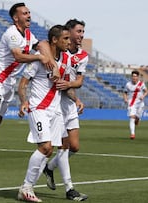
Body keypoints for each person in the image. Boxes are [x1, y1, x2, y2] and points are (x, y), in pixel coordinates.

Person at [0, 2, 58, 175]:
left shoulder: (28, 34)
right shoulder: (12, 33)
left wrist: (51, 62)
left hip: (8, 81)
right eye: (25, 13)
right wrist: (39, 57)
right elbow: (18, 56)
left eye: (29, 12)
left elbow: (42, 44)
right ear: (16, 18)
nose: (29, 15)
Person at [17, 24, 71, 203]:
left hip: (55, 111)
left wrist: (75, 97)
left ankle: (28, 187)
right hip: (38, 108)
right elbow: (23, 84)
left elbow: (64, 85)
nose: (68, 42)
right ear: (54, 40)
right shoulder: (38, 61)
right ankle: (26, 187)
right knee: (45, 147)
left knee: (48, 152)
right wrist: (24, 101)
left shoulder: (66, 60)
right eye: (65, 38)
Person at [43, 19, 88, 201]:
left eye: (83, 32)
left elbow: (78, 82)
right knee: (63, 146)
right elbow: (42, 46)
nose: (81, 35)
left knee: (74, 147)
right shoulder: (56, 50)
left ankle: (49, 167)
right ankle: (70, 189)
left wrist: (74, 95)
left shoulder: (82, 56)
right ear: (68, 33)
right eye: (78, 31)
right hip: (56, 104)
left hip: (69, 102)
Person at [123, 70, 148, 140]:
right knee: (132, 117)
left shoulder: (141, 84)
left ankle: (137, 119)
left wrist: (143, 96)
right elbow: (125, 92)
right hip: (131, 103)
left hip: (140, 104)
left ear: (138, 77)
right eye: (133, 76)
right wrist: (125, 99)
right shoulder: (128, 84)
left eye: (136, 76)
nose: (134, 78)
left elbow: (146, 91)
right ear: (131, 77)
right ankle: (132, 134)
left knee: (137, 119)